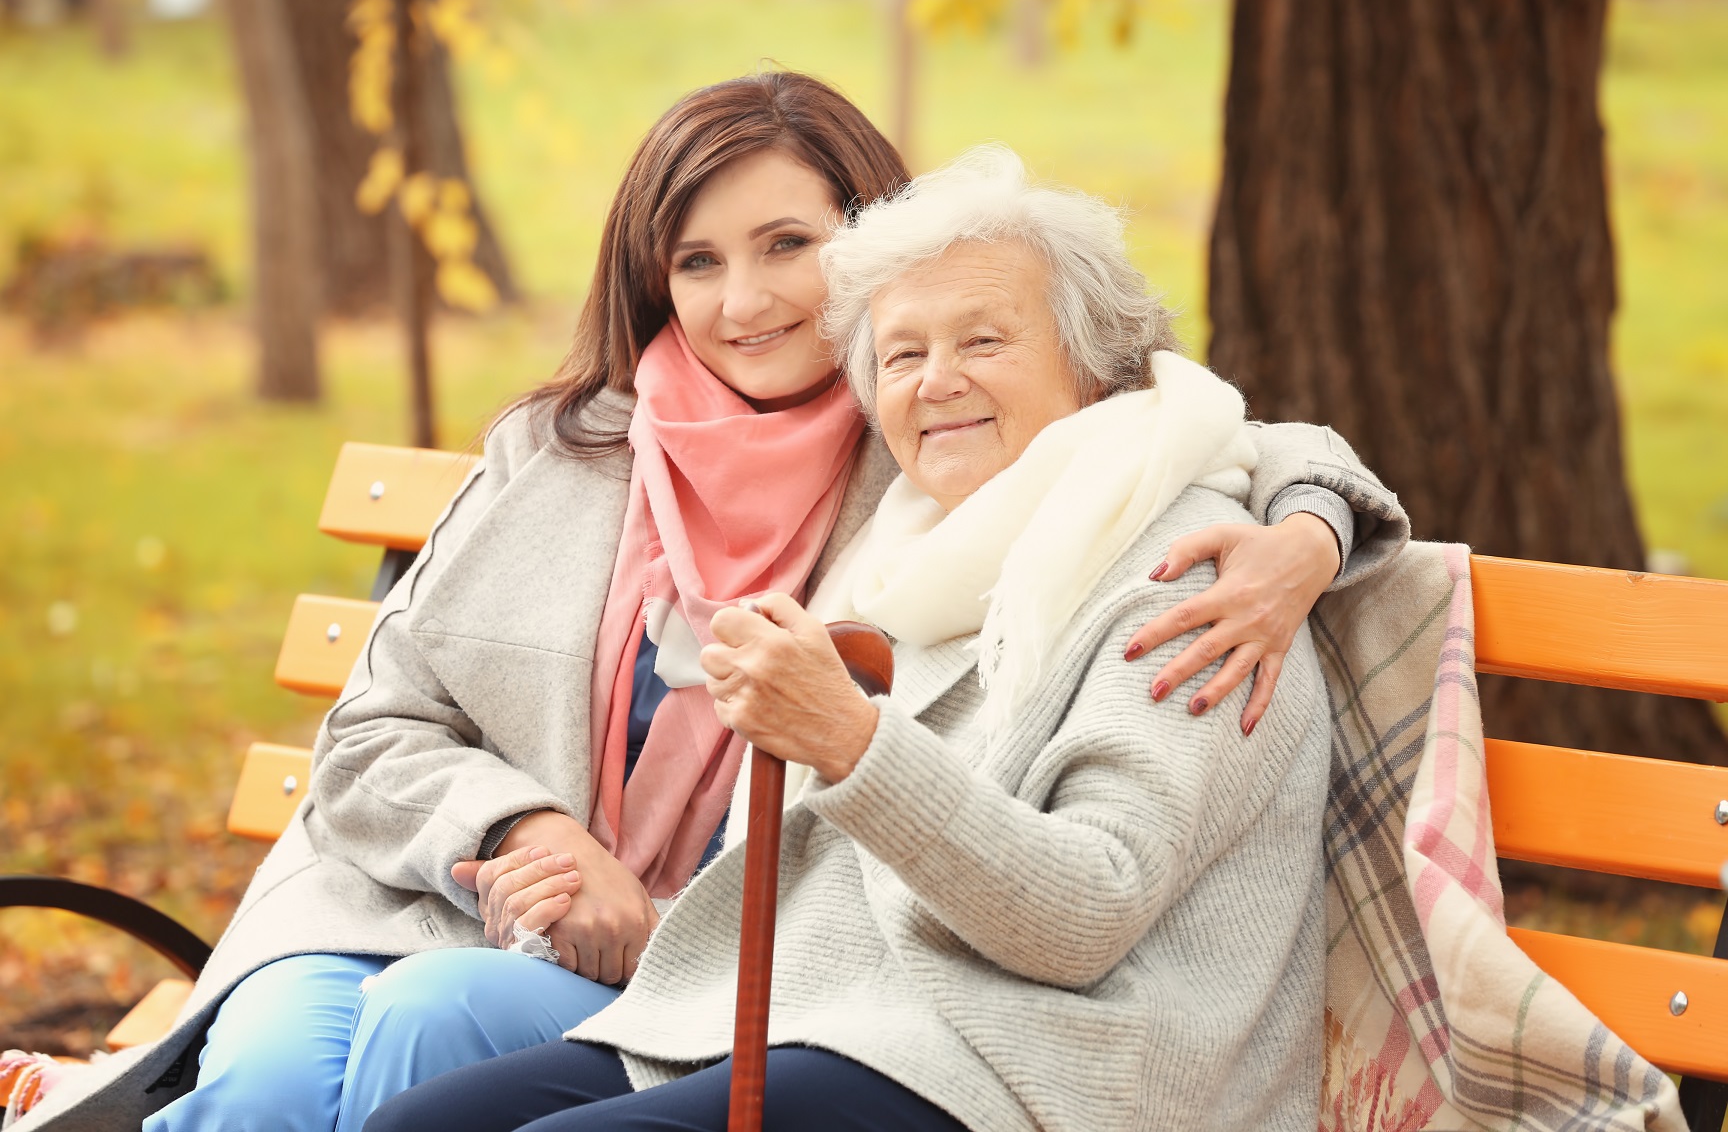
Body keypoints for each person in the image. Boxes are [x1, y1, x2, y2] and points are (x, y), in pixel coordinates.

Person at [21, 78, 1404, 1132]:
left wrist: (1305, 528)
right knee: (275, 1089)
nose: (743, 302)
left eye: (787, 246)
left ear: (867, 251)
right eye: (696, 261)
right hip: (414, 903)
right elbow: (378, 729)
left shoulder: (928, 456)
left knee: (424, 1042)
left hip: (731, 959)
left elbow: (1185, 419)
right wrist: (520, 829)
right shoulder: (569, 446)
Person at [362, 144, 1352, 1132]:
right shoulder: (915, 553)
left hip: (1051, 1071)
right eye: (904, 353)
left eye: (985, 343)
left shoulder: (1189, 585)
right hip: (837, 1021)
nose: (936, 382)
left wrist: (852, 740)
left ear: (1098, 366)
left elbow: (1085, 914)